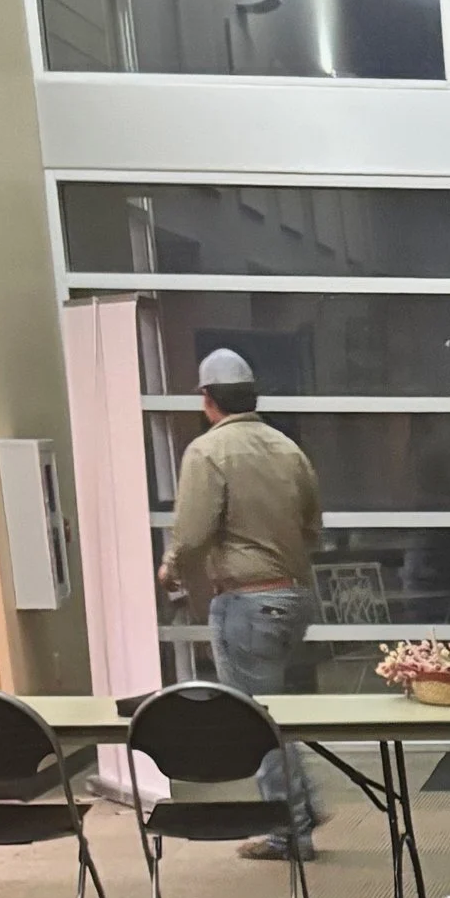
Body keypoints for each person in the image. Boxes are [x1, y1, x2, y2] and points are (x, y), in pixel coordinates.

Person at [161, 347, 323, 859]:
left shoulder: (208, 452)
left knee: (256, 720)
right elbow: (313, 527)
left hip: (248, 603)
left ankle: (291, 827)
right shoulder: (288, 448)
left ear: (208, 400)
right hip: (293, 597)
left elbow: (191, 533)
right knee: (268, 710)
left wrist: (170, 570)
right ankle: (298, 806)